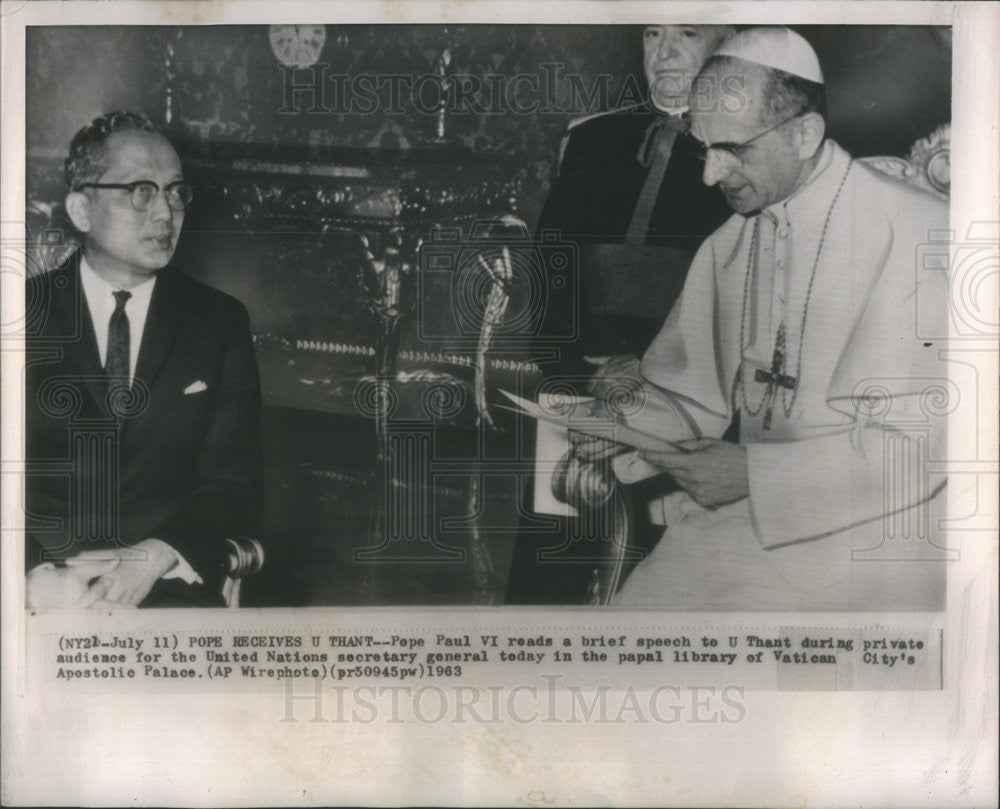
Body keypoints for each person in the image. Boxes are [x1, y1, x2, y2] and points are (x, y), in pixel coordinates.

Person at [599, 27, 948, 610]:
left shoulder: (919, 235)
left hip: (891, 532)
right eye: (702, 146)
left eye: (733, 150)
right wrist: (614, 421)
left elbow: (925, 446)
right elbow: (687, 396)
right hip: (752, 521)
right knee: (631, 631)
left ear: (805, 133)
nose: (711, 176)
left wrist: (755, 479)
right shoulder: (731, 242)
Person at [507, 25, 734, 604]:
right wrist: (580, 377)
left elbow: (741, 304)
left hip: (686, 401)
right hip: (576, 389)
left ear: (728, 40)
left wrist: (650, 378)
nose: (664, 51)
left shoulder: (748, 153)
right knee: (550, 579)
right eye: (653, 32)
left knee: (655, 588)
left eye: (687, 32)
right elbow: (548, 276)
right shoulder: (594, 139)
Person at [25, 111, 263, 609]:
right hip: (35, 592)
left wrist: (157, 555)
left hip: (166, 586)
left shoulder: (218, 321)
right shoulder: (17, 316)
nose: (165, 213)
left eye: (176, 192)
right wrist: (34, 575)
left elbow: (234, 484)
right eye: (141, 191)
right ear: (82, 209)